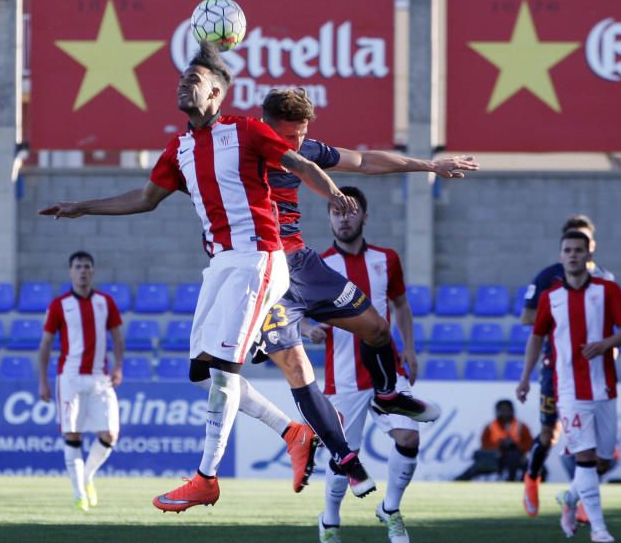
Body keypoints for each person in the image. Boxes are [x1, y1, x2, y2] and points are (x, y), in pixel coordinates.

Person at [40, 43, 357, 512]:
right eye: (180, 80)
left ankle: (206, 477)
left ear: (216, 92)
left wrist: (331, 192)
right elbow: (146, 198)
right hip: (221, 265)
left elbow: (298, 163)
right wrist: (81, 207)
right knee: (201, 371)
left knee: (226, 368)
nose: (182, 85)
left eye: (193, 80)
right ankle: (292, 432)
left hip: (257, 258)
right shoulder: (180, 148)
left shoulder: (245, 130)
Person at [238, 89, 475, 496]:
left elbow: (363, 162)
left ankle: (386, 394)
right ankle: (344, 458)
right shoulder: (238, 149)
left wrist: (430, 165)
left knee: (378, 330)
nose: (297, 146)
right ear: (268, 124)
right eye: (290, 137)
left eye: (302, 136)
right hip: (258, 268)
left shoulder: (305, 148)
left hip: (299, 263)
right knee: (294, 368)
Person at [294, 185, 424, 543]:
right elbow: (292, 310)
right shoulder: (316, 265)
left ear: (364, 217)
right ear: (329, 217)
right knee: (344, 459)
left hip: (386, 371)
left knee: (409, 438)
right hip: (343, 378)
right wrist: (306, 330)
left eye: (350, 212)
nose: (343, 218)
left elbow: (400, 304)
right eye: (336, 212)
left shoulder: (387, 259)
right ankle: (330, 523)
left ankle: (390, 508)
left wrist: (410, 348)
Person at [516, 230, 621, 543]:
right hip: (567, 389)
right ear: (560, 256)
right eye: (567, 250)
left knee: (603, 460)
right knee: (584, 456)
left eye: (578, 250)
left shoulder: (607, 290)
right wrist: (526, 378)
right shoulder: (550, 297)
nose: (572, 255)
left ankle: (569, 498)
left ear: (588, 255)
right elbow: (536, 337)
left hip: (604, 387)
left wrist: (605, 343)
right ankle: (598, 528)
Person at [38, 251, 125, 511]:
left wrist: (118, 366)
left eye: (87, 266)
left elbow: (118, 338)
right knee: (72, 434)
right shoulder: (59, 305)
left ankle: (86, 476)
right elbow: (44, 346)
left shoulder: (105, 302)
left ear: (93, 271)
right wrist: (42, 381)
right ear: (70, 272)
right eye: (78, 267)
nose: (83, 271)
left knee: (110, 434)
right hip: (71, 378)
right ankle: (79, 494)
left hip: (100, 377)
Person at [455, 400, 533, 482]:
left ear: (512, 411)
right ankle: (456, 482)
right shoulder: (490, 426)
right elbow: (484, 443)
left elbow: (529, 442)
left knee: (536, 468)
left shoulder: (521, 425)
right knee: (475, 468)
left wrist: (515, 445)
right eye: (502, 410)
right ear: (497, 411)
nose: (505, 413)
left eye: (507, 410)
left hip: (516, 458)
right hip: (495, 458)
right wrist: (500, 445)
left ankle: (517, 484)